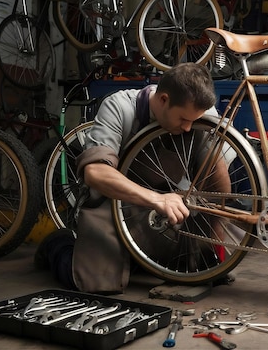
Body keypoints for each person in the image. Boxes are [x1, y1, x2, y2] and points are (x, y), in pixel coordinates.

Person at [35, 63, 230, 294]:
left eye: (193, 120)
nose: (189, 128)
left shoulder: (200, 115)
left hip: (162, 214)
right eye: (183, 120)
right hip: (114, 205)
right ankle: (59, 243)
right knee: (92, 282)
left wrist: (218, 237)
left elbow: (216, 179)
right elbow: (95, 172)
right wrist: (157, 200)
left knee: (198, 273)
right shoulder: (119, 107)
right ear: (164, 99)